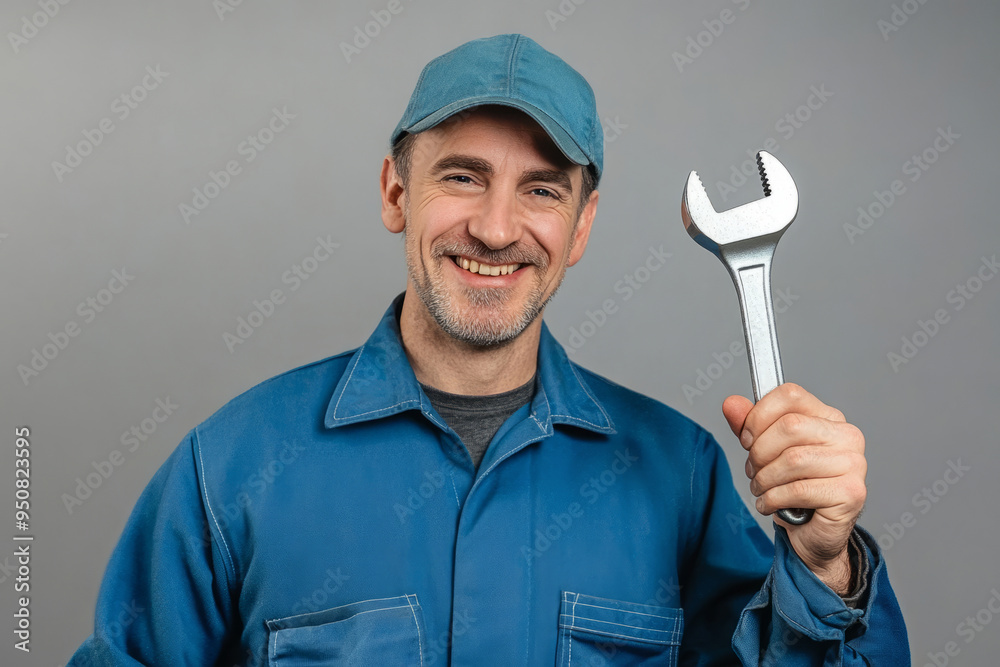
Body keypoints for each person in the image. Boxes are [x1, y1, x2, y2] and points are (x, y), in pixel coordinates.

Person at [70, 33, 908, 665]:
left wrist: (825, 567)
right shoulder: (231, 467)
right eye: (463, 176)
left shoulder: (678, 476)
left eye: (541, 189)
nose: (498, 227)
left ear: (579, 227)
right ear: (397, 191)